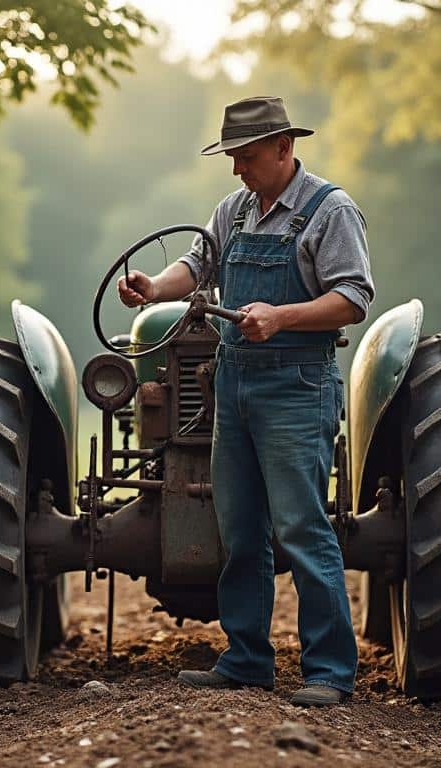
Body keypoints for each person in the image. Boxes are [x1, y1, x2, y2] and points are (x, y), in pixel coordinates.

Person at [116, 96, 374, 707]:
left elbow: (354, 297)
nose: (237, 169)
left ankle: (330, 672)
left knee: (303, 528)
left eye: (248, 156)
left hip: (296, 385)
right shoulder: (234, 209)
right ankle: (248, 659)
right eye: (233, 157)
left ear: (285, 148)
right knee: (239, 528)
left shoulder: (329, 211)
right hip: (232, 386)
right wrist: (155, 288)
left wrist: (281, 317)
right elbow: (196, 263)